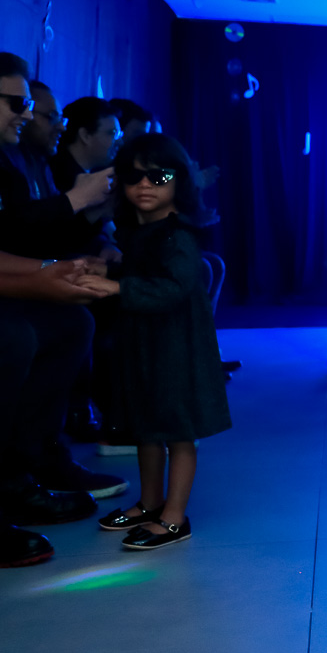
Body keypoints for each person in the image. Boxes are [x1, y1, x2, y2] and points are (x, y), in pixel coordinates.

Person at [0, 21, 116, 565]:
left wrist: (56, 268)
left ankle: (25, 470)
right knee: (7, 336)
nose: (29, 116)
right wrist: (47, 264)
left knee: (70, 320)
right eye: (20, 104)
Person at [83, 135, 230, 549]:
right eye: (133, 177)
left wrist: (117, 287)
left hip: (176, 349)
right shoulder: (139, 232)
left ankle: (174, 517)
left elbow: (174, 288)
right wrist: (112, 271)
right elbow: (144, 275)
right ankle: (149, 503)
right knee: (146, 427)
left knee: (178, 431)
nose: (145, 185)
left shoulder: (177, 235)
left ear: (178, 180)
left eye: (158, 176)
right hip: (145, 346)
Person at [0, 58, 114, 261]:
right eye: (19, 104)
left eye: (29, 105)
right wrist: (77, 198)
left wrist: (90, 213)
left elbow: (29, 238)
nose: (28, 115)